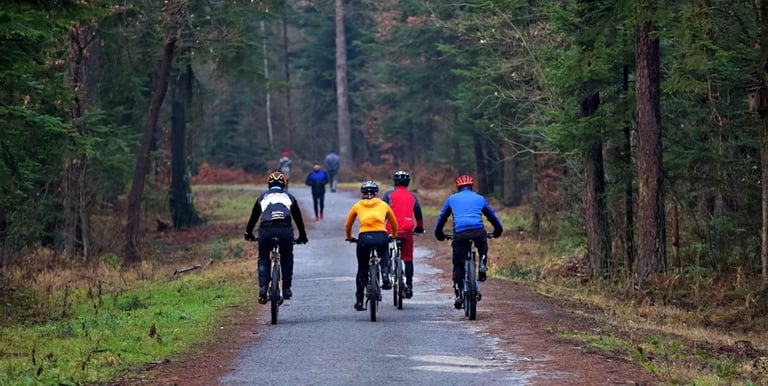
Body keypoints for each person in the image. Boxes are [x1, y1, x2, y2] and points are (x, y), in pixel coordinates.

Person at [434, 174, 503, 309]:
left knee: (458, 264)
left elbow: (442, 218)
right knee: (482, 243)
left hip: (460, 233)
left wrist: (439, 234)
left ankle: (459, 293)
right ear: (471, 186)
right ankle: (482, 262)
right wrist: (498, 231)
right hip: (478, 231)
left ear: (458, 187)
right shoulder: (480, 198)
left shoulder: (452, 199)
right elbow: (492, 216)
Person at [244, 171, 308, 303]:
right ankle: (286, 288)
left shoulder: (262, 197)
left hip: (266, 230)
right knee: (287, 256)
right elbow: (298, 219)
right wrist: (302, 236)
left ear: (269, 184)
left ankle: (263, 287)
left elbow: (253, 218)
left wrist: (248, 233)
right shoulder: (289, 197)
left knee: (263, 257)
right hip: (284, 230)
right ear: (284, 184)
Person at [345, 181, 398, 311]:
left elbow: (348, 224)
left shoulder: (358, 205)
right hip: (381, 236)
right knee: (384, 254)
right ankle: (385, 275)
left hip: (364, 238)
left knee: (362, 268)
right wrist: (394, 235)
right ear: (377, 193)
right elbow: (394, 222)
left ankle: (359, 301)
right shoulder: (383, 204)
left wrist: (350, 237)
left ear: (362, 193)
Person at [381, 170, 424, 299]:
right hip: (407, 230)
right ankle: (409, 286)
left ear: (394, 182)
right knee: (408, 259)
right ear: (408, 183)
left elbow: (382, 212)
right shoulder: (412, 196)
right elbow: (418, 213)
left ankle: (386, 273)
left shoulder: (388, 195)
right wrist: (419, 227)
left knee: (385, 250)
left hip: (391, 230)